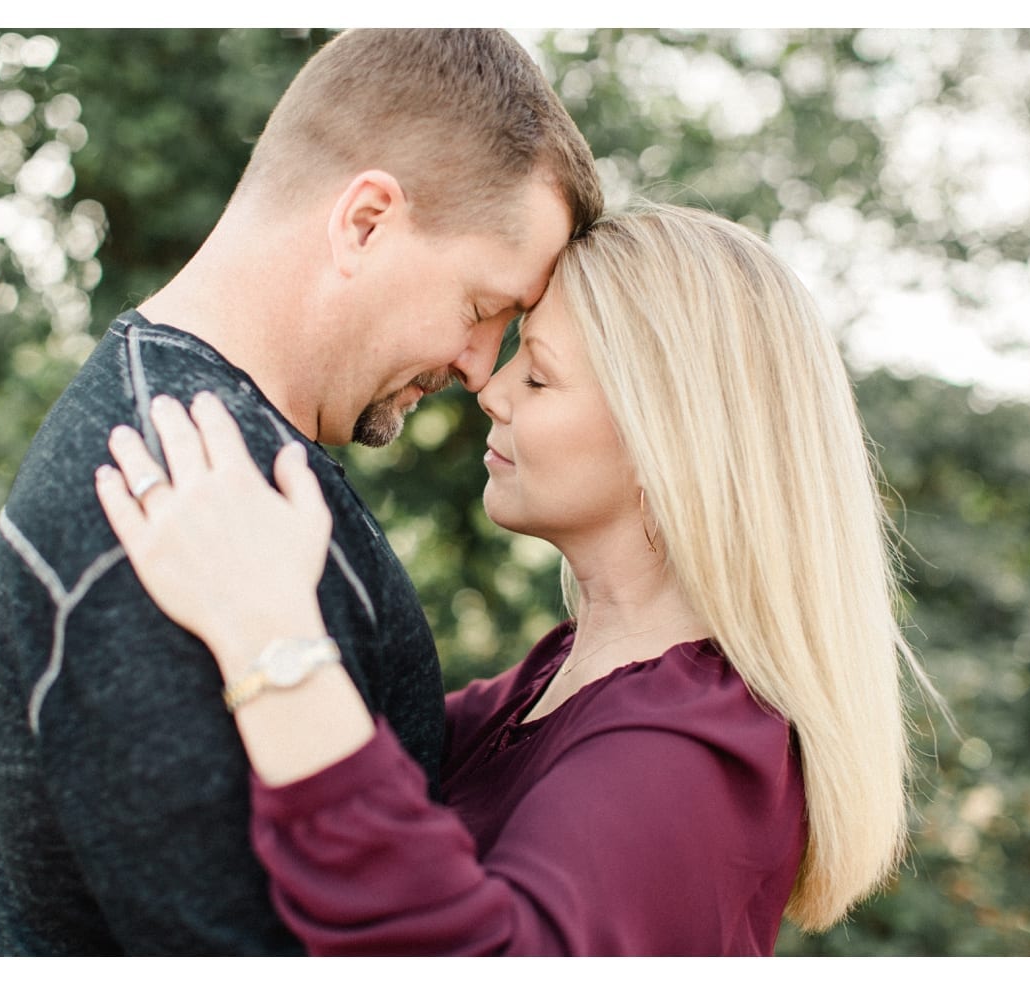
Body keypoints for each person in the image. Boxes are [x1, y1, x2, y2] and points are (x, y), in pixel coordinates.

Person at [94, 203, 945, 956]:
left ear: (668, 443)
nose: (492, 390)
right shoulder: (559, 674)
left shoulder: (689, 751)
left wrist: (269, 636)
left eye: (538, 373)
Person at [0, 28, 603, 955]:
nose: (481, 369)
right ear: (365, 221)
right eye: (481, 310)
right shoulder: (173, 499)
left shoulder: (226, 458)